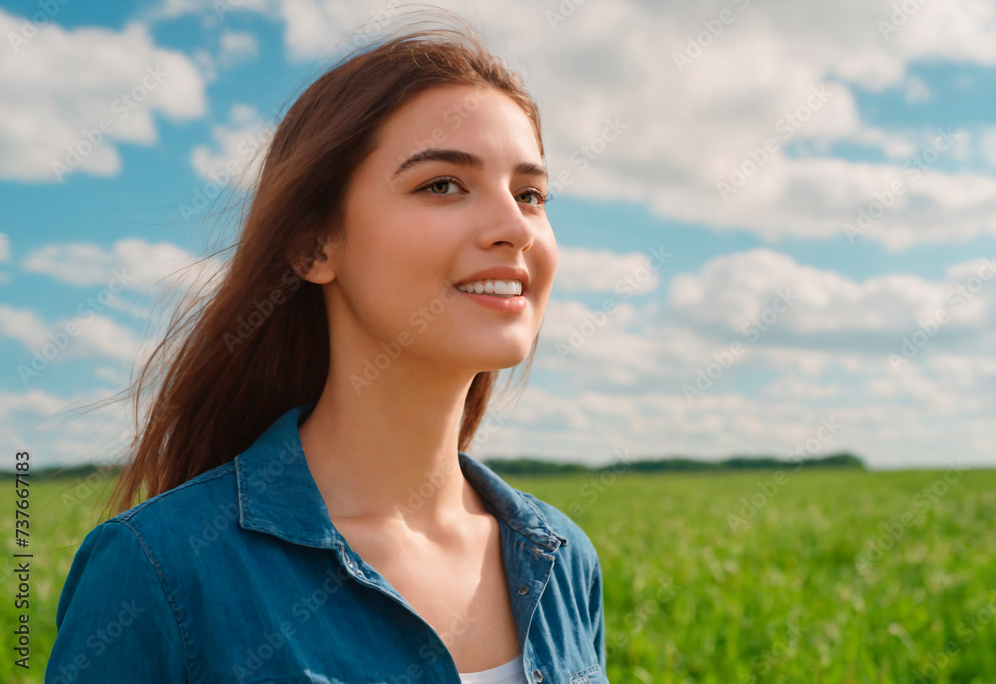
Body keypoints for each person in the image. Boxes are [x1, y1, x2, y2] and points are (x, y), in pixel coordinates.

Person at [45, 10, 607, 684]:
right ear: (315, 245)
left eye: (530, 193)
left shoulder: (563, 561)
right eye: (442, 184)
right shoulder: (158, 570)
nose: (514, 226)